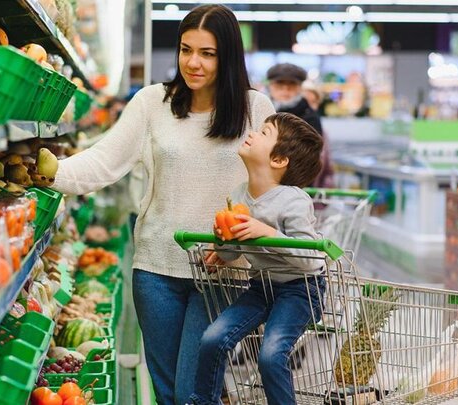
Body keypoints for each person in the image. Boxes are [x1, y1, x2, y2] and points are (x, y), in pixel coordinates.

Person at [51, 4, 275, 404]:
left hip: (220, 272)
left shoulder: (255, 108)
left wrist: (236, 244)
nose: (193, 62)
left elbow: (269, 189)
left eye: (208, 53)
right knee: (168, 391)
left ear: (228, 57)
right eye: (186, 50)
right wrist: (47, 172)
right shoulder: (153, 102)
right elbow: (105, 161)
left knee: (193, 389)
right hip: (156, 270)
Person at [190, 112, 325, 405]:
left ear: (279, 160)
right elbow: (232, 251)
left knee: (271, 353)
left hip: (301, 289)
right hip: (261, 287)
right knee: (213, 338)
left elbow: (311, 259)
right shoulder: (239, 195)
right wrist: (222, 239)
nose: (252, 133)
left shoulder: (294, 200)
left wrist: (266, 232)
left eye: (264, 133)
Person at [267, 63, 333, 188]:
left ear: (299, 88)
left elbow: (309, 158)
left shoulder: (309, 117)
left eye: (291, 85)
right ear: (270, 86)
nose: (285, 90)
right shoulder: (260, 109)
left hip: (296, 186)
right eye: (279, 84)